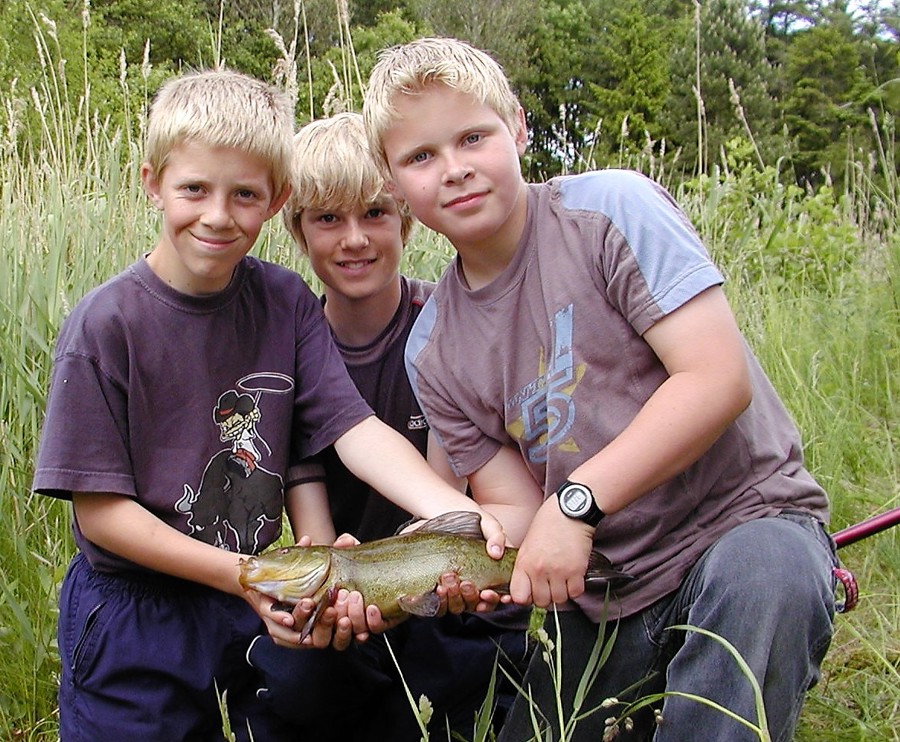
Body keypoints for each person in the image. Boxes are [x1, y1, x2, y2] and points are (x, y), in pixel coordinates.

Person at [361, 37, 839, 741]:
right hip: (604, 594)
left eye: (473, 137)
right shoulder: (432, 348)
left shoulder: (612, 210)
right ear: (393, 181)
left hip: (746, 522)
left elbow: (715, 377)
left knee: (763, 580)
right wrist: (443, 562)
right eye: (421, 157)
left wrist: (578, 502)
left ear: (518, 128)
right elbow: (512, 510)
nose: (455, 170)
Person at [31, 68, 507, 742]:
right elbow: (102, 517)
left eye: (245, 194)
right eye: (194, 188)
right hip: (136, 612)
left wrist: (457, 518)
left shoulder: (284, 303)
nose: (218, 215)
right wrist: (245, 577)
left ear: (276, 198)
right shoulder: (104, 326)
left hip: (246, 605)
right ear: (151, 182)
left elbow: (353, 431)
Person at [245, 111, 536, 742]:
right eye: (329, 219)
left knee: (475, 672)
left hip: (447, 577)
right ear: (298, 229)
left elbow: (455, 503)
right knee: (293, 682)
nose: (354, 238)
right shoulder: (289, 351)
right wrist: (336, 585)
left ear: (406, 214)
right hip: (353, 585)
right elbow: (315, 531)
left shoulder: (447, 322)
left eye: (375, 213)